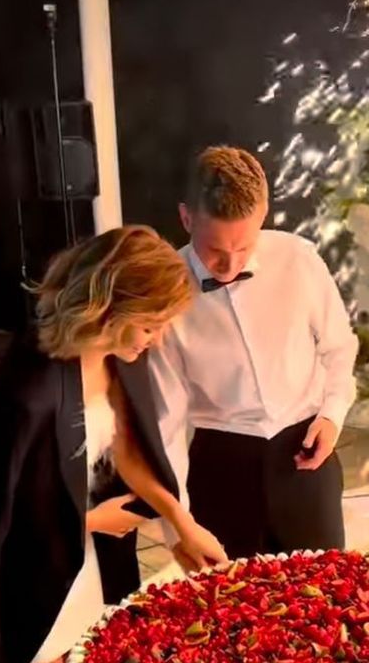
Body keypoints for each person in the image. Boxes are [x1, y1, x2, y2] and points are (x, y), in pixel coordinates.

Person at [0, 226, 227, 663]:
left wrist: (181, 522)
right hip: (32, 584)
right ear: (110, 309)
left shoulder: (116, 357)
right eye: (151, 324)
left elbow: (126, 449)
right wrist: (93, 521)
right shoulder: (25, 397)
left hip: (82, 564)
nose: (158, 339)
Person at [149, 146, 358, 564]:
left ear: (262, 215)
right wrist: (178, 527)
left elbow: (339, 347)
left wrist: (333, 415)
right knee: (229, 612)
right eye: (214, 251)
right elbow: (166, 424)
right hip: (220, 467)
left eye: (243, 249)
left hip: (305, 455)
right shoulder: (163, 293)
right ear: (187, 217)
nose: (228, 266)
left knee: (325, 598)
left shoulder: (299, 259)